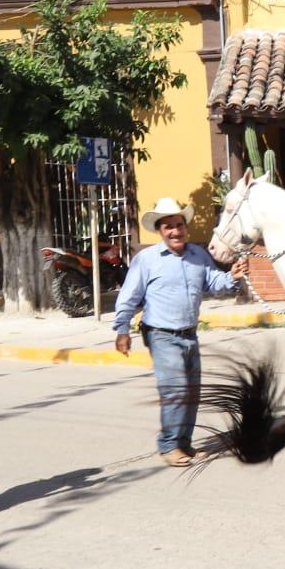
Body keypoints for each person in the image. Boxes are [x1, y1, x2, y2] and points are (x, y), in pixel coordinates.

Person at [113, 197, 247, 466]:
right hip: (160, 333)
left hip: (189, 333)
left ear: (185, 226)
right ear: (160, 231)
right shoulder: (147, 260)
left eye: (179, 225)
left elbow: (214, 282)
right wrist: (122, 329)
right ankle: (169, 445)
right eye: (168, 227)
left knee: (192, 392)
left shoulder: (198, 255)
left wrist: (232, 276)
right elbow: (129, 296)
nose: (175, 231)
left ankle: (183, 444)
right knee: (175, 389)